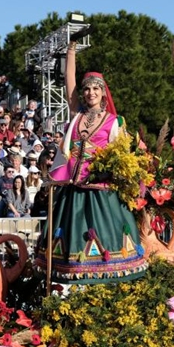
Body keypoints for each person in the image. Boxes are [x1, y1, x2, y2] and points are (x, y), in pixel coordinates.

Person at [35, 42, 147, 284]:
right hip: (72, 188)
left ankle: (107, 283)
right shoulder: (77, 115)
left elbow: (121, 155)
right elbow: (70, 82)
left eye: (95, 89)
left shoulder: (113, 122)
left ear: (103, 92)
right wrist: (71, 53)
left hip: (101, 189)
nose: (90, 93)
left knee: (105, 238)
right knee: (69, 241)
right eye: (86, 90)